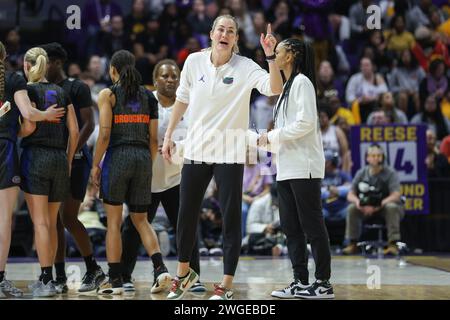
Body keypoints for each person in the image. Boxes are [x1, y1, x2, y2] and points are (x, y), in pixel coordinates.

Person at [162, 15, 283, 300]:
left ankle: (226, 284)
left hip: (229, 151)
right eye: (221, 29)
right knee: (186, 215)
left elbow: (274, 88)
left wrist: (270, 56)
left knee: (230, 218)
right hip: (195, 149)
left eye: (231, 31)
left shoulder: (245, 67)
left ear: (236, 39)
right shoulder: (193, 62)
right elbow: (182, 98)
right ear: (211, 34)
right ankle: (184, 275)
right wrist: (168, 136)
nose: (225, 34)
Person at [120, 59, 206, 293]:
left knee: (186, 227)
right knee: (133, 228)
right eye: (165, 76)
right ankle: (124, 276)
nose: (170, 80)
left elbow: (199, 139)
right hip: (145, 179)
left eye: (174, 76)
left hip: (176, 179)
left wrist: (179, 147)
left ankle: (192, 277)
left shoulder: (189, 105)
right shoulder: (146, 102)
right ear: (155, 79)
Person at [258, 38, 334, 299]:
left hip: (305, 166)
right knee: (291, 227)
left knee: (312, 226)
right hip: (287, 167)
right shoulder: (287, 87)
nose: (275, 55)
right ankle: (300, 281)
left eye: (278, 52)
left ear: (290, 56)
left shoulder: (302, 82)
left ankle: (323, 282)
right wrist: (269, 142)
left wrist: (273, 136)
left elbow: (305, 123)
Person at [90, 50, 166, 295]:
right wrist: (146, 162)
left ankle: (115, 281)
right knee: (141, 220)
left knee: (114, 223)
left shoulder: (108, 94)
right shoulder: (149, 96)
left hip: (118, 156)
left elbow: (103, 134)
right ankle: (160, 268)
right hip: (143, 157)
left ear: (113, 70)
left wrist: (95, 165)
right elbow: (153, 140)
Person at [40, 42, 105, 294]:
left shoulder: (76, 86)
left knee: (67, 217)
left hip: (76, 159)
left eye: (45, 61)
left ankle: (93, 268)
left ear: (56, 62)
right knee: (54, 219)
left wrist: (72, 150)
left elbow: (88, 124)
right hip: (53, 159)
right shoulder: (43, 88)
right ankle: (59, 276)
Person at [0, 42, 64, 298]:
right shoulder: (14, 78)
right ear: (5, 56)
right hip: (4, 150)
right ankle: (1, 279)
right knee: (4, 219)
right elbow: (28, 114)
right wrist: (46, 114)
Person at [21, 47, 79, 297]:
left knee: (41, 223)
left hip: (36, 157)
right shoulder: (63, 92)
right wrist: (67, 160)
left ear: (27, 66)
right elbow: (75, 131)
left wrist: (17, 132)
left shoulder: (28, 91)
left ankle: (44, 280)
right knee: (53, 224)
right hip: (58, 159)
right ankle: (54, 279)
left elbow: (29, 128)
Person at [342, 144, 404, 256]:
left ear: (382, 157)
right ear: (367, 158)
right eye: (373, 155)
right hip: (365, 207)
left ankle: (393, 244)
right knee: (352, 208)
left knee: (392, 207)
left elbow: (396, 195)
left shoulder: (390, 173)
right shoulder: (362, 173)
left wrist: (379, 205)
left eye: (379, 155)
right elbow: (350, 194)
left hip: (383, 207)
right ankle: (352, 243)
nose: (376, 158)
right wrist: (358, 203)